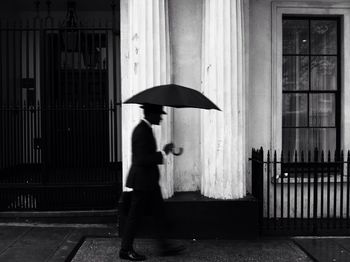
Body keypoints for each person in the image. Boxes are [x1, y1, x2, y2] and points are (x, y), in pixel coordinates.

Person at [119, 104, 185, 261]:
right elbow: (141, 159)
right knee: (135, 217)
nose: (161, 117)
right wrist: (163, 152)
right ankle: (125, 250)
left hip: (149, 182)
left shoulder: (146, 129)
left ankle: (164, 247)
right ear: (150, 114)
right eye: (159, 114)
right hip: (142, 183)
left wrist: (163, 151)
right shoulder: (142, 131)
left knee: (159, 213)